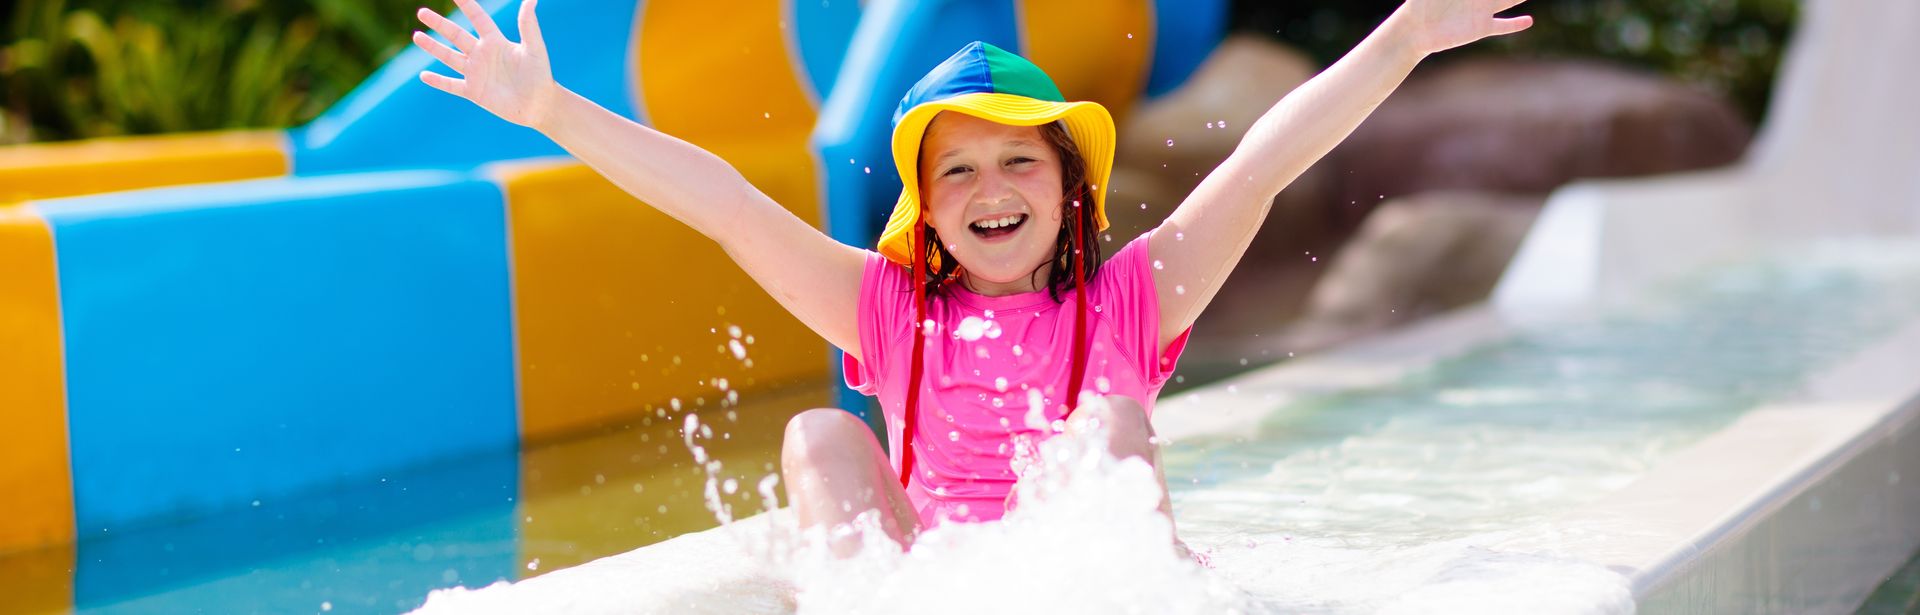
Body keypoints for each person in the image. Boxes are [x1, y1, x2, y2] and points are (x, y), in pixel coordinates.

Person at [413, 0, 1533, 557]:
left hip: (1096, 588)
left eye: (1018, 161)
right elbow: (723, 203)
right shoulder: (886, 309)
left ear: (1070, 187)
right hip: (943, 586)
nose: (991, 187)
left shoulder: (1132, 298)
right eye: (959, 169)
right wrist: (551, 110)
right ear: (928, 207)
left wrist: (1398, 40)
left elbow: (1262, 162)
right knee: (819, 434)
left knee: (1109, 422)